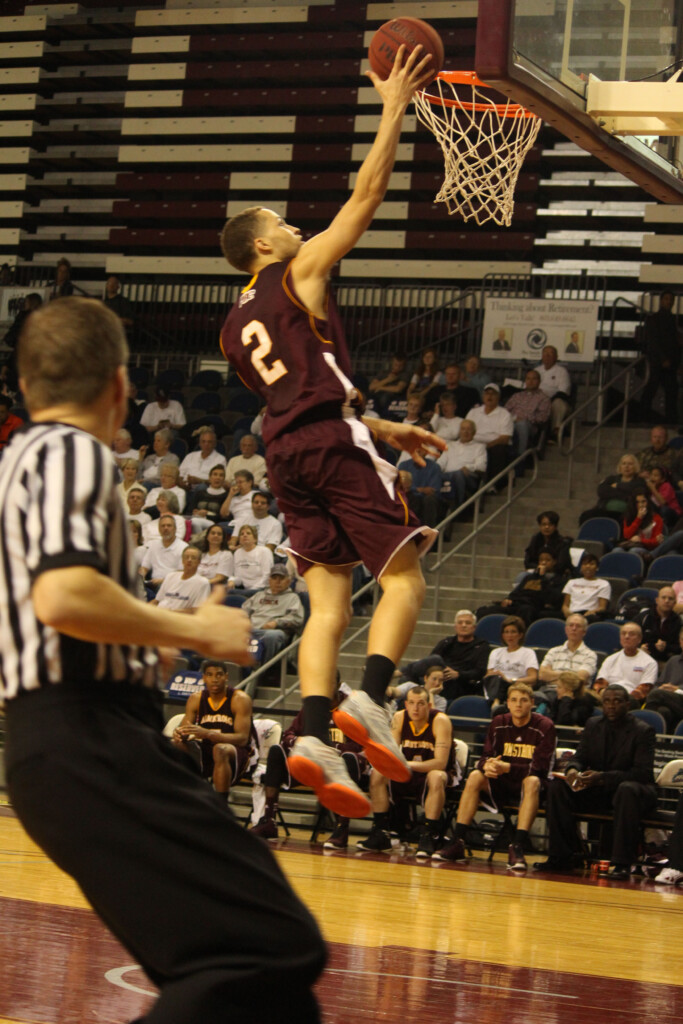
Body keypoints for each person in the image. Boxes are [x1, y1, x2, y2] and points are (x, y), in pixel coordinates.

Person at [0, 296, 325, 1023]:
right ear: (121, 386)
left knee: (255, 971)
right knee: (268, 947)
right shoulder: (69, 452)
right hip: (85, 736)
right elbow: (62, 594)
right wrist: (193, 628)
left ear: (25, 385)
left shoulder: (21, 459)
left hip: (70, 743)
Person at [219, 45, 445, 818]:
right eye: (282, 223)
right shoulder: (296, 275)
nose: (295, 226)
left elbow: (300, 396)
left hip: (288, 457)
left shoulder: (232, 327)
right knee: (408, 574)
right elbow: (367, 193)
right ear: (260, 246)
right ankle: (371, 699)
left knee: (327, 608)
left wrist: (379, 424)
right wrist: (394, 105)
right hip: (329, 445)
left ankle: (312, 735)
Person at [534, 685, 657, 879]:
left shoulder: (643, 731)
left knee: (627, 790)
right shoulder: (593, 724)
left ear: (627, 704)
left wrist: (601, 777)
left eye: (617, 701)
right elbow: (579, 757)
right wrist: (573, 770)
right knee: (558, 788)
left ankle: (621, 864)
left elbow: (642, 773)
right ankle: (563, 856)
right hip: (599, 790)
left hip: (632, 793)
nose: (611, 706)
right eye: (607, 701)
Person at [434, 683, 556, 870]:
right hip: (501, 781)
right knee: (475, 776)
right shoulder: (499, 722)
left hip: (529, 785)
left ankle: (517, 846)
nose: (518, 705)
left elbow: (540, 768)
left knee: (532, 781)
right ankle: (457, 841)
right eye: (514, 700)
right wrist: (488, 766)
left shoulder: (545, 726)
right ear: (507, 703)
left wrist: (508, 767)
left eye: (523, 700)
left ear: (532, 703)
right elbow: (485, 757)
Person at [251, 683, 368, 849]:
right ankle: (269, 820)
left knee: (350, 758)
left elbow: (360, 745)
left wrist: (329, 750)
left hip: (339, 767)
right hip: (310, 766)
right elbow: (288, 734)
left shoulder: (352, 708)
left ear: (334, 686)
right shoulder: (312, 707)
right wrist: (297, 741)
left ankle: (341, 829)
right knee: (277, 751)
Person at [357, 685, 455, 858]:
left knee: (436, 776)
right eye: (411, 703)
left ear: (429, 706)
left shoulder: (441, 721)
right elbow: (392, 754)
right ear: (406, 704)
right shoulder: (400, 717)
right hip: (408, 770)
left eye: (421, 703)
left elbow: (440, 763)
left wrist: (406, 765)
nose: (415, 708)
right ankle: (381, 832)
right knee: (378, 772)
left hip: (437, 772)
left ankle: (428, 834)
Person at [171, 660, 258, 799]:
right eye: (210, 675)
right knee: (175, 745)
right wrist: (179, 734)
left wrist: (208, 734)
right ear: (204, 678)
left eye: (219, 675)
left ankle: (221, 805)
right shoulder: (195, 699)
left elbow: (242, 739)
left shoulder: (240, 699)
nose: (215, 679)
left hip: (237, 751)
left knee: (220, 749)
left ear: (226, 677)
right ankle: (185, 796)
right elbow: (184, 730)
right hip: (206, 749)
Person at [242, 563, 305, 685]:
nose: (277, 582)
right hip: (251, 629)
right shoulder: (259, 595)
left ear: (288, 581)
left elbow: (297, 619)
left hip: (272, 631)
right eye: (274, 578)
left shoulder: (292, 598)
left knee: (273, 636)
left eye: (281, 579)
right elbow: (244, 610)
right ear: (269, 580)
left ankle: (261, 671)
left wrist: (277, 622)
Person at [411, 609, 490, 703]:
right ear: (455, 627)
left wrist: (458, 674)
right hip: (440, 678)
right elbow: (430, 662)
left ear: (474, 627)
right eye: (460, 623)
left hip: (462, 683)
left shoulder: (482, 646)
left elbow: (480, 672)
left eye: (468, 623)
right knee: (412, 678)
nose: (463, 625)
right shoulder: (446, 642)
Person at [477, 552, 566, 626]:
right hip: (516, 604)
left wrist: (542, 578)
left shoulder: (558, 580)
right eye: (541, 560)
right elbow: (516, 593)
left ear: (554, 562)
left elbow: (553, 598)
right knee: (484, 611)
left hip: (533, 607)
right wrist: (508, 599)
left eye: (547, 560)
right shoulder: (529, 578)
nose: (543, 563)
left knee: (525, 610)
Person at [639, 291, 681, 426]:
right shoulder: (655, 319)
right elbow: (653, 341)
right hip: (659, 361)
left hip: (668, 361)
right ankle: (645, 417)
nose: (669, 302)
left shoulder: (671, 320)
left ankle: (670, 420)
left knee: (671, 391)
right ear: (661, 301)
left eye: (671, 300)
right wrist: (663, 358)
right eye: (667, 299)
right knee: (653, 388)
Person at [593, 622, 658, 706]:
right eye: (623, 634)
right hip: (608, 698)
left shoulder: (649, 663)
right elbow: (600, 684)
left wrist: (619, 699)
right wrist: (607, 696)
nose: (627, 636)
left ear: (639, 639)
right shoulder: (610, 659)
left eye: (631, 634)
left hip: (631, 701)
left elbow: (643, 690)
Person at [480, 616, 539, 705]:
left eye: (513, 632)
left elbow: (533, 678)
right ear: (503, 635)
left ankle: (496, 702)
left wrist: (510, 680)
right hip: (496, 685)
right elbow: (489, 676)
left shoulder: (528, 653)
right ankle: (497, 701)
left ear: (520, 635)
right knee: (496, 680)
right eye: (506, 632)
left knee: (504, 684)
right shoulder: (495, 652)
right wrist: (500, 677)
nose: (509, 635)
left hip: (516, 686)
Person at [538, 614, 598, 693]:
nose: (574, 628)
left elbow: (580, 678)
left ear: (584, 632)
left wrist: (552, 676)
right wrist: (570, 675)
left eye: (578, 626)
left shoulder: (590, 655)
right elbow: (542, 675)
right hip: (549, 692)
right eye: (571, 625)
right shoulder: (553, 651)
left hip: (575, 694)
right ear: (566, 629)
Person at [578, 453, 644, 525]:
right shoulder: (612, 479)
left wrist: (617, 486)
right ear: (620, 466)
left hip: (625, 513)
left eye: (630, 464)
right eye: (624, 463)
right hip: (605, 510)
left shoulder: (639, 481)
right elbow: (601, 491)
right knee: (585, 516)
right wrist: (624, 495)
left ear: (635, 467)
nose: (626, 466)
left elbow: (635, 491)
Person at [467, 383, 514, 482]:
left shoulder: (505, 414)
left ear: (498, 397)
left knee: (498, 450)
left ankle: (492, 483)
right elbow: (466, 429)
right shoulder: (473, 412)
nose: (489, 396)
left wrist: (486, 446)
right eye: (487, 393)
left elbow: (505, 438)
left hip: (494, 445)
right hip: (475, 443)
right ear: (483, 396)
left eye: (493, 394)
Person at [436, 418, 487, 507]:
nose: (465, 432)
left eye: (469, 429)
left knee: (458, 474)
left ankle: (458, 507)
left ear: (474, 432)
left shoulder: (479, 447)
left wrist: (468, 467)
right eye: (463, 429)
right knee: (433, 474)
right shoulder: (450, 445)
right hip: (447, 475)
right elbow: (441, 462)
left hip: (468, 476)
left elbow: (482, 466)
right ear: (459, 431)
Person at [644, 626, 683, 732]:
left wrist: (676, 689)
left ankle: (643, 733)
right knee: (663, 711)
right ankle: (663, 745)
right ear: (680, 642)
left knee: (656, 694)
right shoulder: (673, 661)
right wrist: (661, 687)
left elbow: (657, 693)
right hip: (670, 702)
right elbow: (659, 684)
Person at [150, 544, 211, 611]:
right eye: (186, 557)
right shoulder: (170, 576)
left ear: (199, 562)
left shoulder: (202, 583)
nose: (189, 560)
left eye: (193, 558)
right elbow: (157, 601)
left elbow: (197, 610)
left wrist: (170, 613)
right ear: (182, 560)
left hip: (176, 618)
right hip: (158, 615)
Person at [505, 369, 551, 455]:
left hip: (529, 425)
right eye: (528, 379)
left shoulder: (544, 398)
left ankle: (520, 459)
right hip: (510, 421)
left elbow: (543, 417)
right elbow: (505, 411)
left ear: (539, 381)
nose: (531, 381)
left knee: (521, 424)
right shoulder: (517, 396)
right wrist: (513, 418)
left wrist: (523, 418)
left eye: (534, 379)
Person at [634, 585, 682, 666]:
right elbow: (630, 638)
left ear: (674, 603)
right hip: (642, 659)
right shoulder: (644, 617)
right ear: (657, 600)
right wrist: (639, 648)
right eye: (663, 597)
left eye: (670, 599)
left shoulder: (678, 621)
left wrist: (666, 647)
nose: (667, 601)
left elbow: (680, 647)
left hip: (666, 661)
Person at [139, 512, 187, 587]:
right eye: (163, 526)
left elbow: (182, 573)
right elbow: (145, 567)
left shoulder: (183, 547)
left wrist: (163, 580)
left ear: (175, 528)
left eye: (169, 526)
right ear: (159, 529)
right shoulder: (153, 545)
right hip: (153, 583)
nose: (165, 528)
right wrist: (140, 577)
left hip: (173, 585)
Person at [534, 345, 571, 440]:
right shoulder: (537, 370)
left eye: (550, 354)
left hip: (553, 400)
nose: (547, 356)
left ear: (556, 357)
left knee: (558, 404)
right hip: (536, 399)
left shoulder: (562, 371)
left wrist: (546, 400)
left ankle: (555, 432)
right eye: (545, 354)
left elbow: (563, 392)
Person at [561, 553, 611, 622]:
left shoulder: (604, 584)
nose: (588, 566)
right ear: (581, 567)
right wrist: (566, 611)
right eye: (585, 564)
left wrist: (592, 612)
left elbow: (602, 607)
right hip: (572, 612)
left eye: (591, 564)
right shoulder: (571, 582)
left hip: (589, 614)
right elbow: (565, 604)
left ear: (597, 567)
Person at [522, 510, 572, 576]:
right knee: (521, 576)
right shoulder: (535, 539)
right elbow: (527, 562)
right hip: (537, 570)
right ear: (540, 526)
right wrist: (538, 567)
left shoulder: (563, 542)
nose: (546, 527)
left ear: (555, 526)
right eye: (544, 524)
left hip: (555, 574)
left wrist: (546, 568)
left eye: (550, 524)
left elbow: (561, 565)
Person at [230, 523, 274, 591]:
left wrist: (253, 589)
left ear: (255, 539)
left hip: (262, 589)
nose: (245, 535)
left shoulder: (264, 551)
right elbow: (238, 578)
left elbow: (267, 575)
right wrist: (232, 581)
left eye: (248, 533)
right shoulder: (237, 553)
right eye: (242, 534)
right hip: (244, 589)